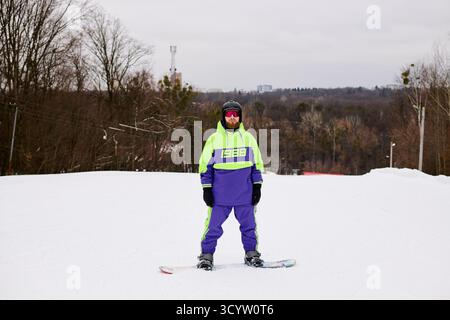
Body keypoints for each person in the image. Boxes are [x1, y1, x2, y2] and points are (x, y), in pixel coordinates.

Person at [197, 100, 264, 270]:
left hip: (245, 194)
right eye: (229, 114)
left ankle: (251, 253)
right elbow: (206, 167)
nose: (232, 118)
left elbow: (256, 166)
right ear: (223, 116)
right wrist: (207, 190)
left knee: (249, 227)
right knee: (212, 227)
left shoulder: (248, 138)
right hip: (220, 196)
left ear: (240, 117)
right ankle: (206, 255)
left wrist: (257, 187)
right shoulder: (214, 139)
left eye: (236, 115)